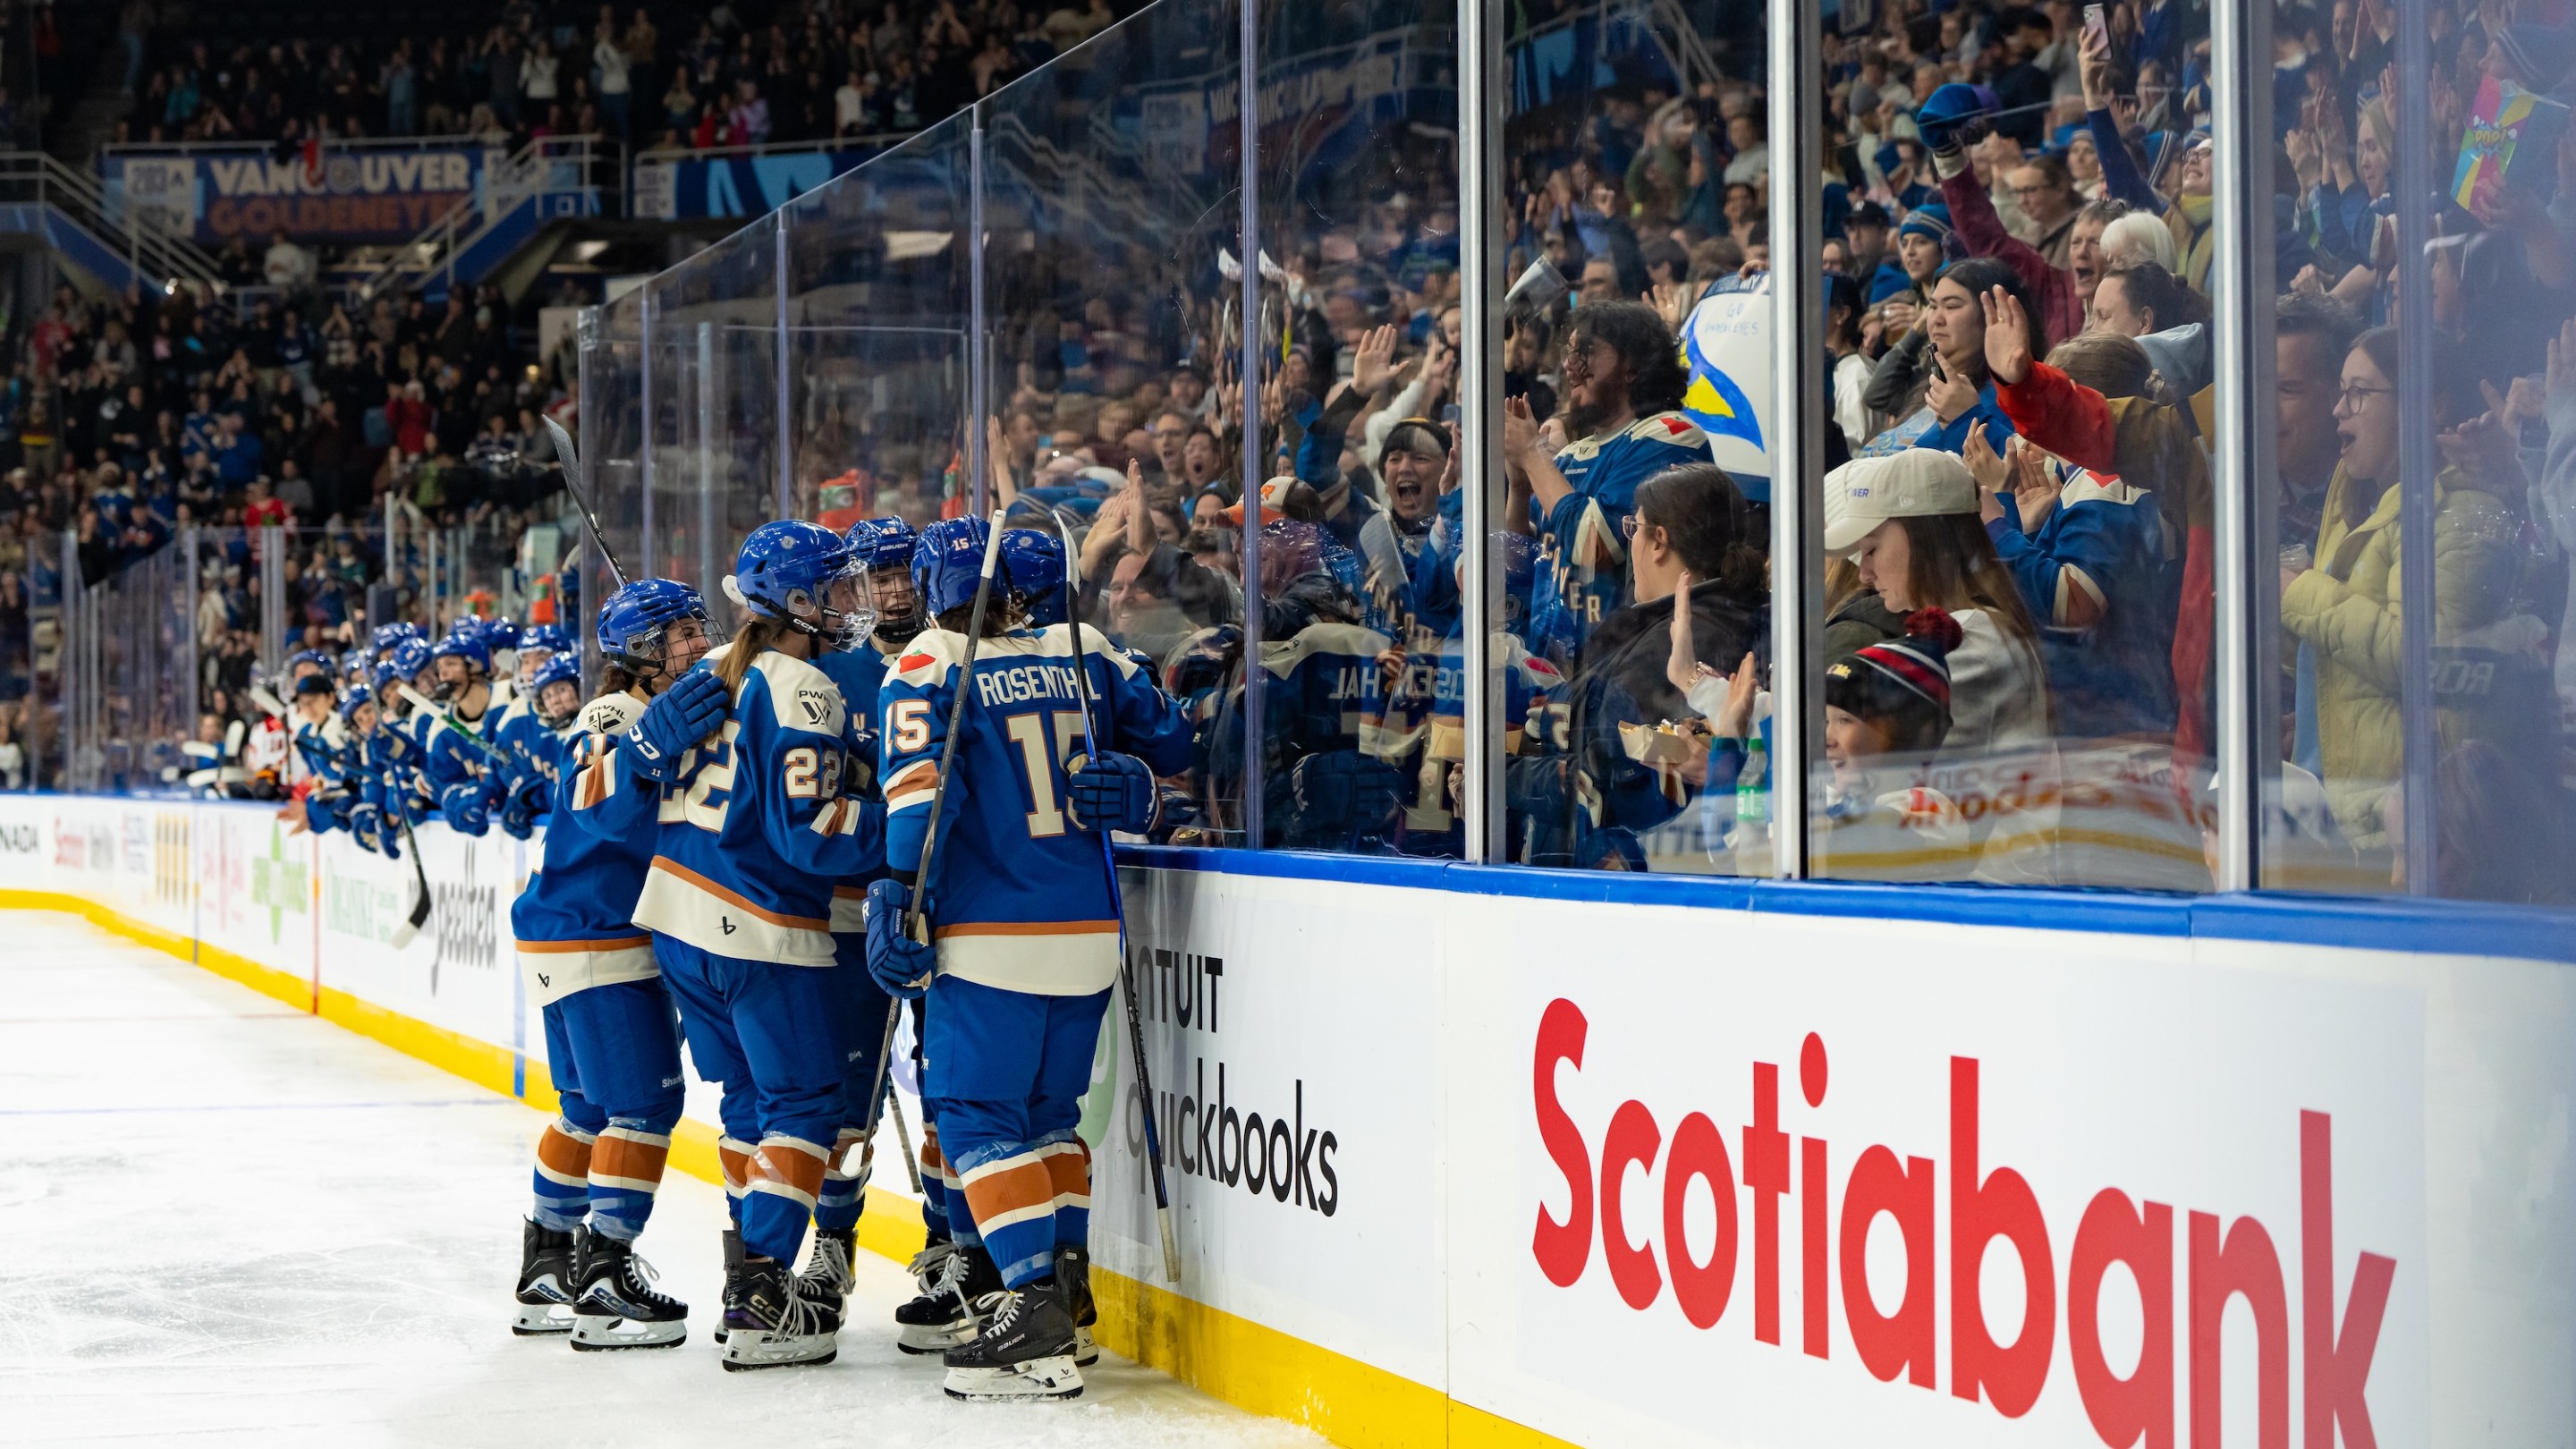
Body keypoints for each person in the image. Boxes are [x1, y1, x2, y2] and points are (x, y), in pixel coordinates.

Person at [867, 514, 1192, 1401]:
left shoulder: (931, 663)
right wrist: (1144, 780)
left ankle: (1030, 1306)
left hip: (991, 933)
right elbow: (1175, 734)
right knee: (1050, 1118)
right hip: (1089, 927)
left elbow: (919, 799)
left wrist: (899, 892)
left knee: (975, 1117)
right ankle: (1068, 1288)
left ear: (934, 592)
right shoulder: (1083, 649)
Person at [630, 520, 883, 1371]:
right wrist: (906, 826)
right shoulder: (802, 686)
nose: (852, 603)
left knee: (749, 1104)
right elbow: (810, 833)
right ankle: (763, 1287)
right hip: (756, 924)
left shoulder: (703, 670)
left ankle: (747, 1273)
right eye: (837, 589)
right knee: (809, 1104)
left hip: (675, 917)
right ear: (799, 601)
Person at [506, 579, 725, 1351]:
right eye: (679, 633)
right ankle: (603, 1281)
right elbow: (597, 796)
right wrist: (645, 748)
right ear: (639, 651)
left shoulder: (649, 711)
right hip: (600, 937)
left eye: (699, 626)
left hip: (570, 932)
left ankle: (546, 1268)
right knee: (643, 1108)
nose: (698, 641)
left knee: (588, 1111)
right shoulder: (617, 714)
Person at [1502, 300, 1708, 667]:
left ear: (1632, 366)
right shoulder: (1572, 454)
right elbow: (1520, 562)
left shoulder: (1671, 434)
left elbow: (1590, 544)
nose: (1569, 366)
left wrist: (1532, 456)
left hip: (1624, 666)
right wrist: (1520, 487)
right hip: (1551, 674)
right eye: (1569, 353)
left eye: (1586, 353)